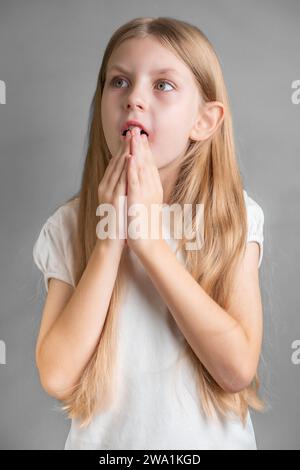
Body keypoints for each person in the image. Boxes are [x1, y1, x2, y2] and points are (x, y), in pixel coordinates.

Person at [33, 17, 265, 450]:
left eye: (163, 86)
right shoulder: (68, 226)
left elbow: (236, 370)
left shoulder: (233, 218)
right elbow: (58, 376)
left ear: (204, 120)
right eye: (118, 81)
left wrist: (151, 246)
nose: (134, 99)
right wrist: (110, 240)